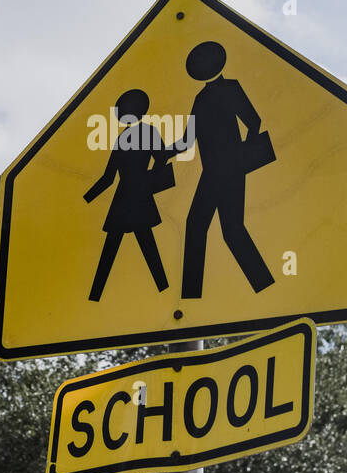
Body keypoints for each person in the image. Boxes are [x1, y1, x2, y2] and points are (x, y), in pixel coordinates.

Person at [178, 41, 275, 298]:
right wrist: (162, 152)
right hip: (214, 173)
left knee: (224, 229)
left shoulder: (228, 89)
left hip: (228, 171)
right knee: (208, 227)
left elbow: (253, 121)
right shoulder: (203, 97)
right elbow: (188, 140)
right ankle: (191, 296)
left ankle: (263, 287)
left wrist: (240, 156)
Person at [83, 88, 172, 302]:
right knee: (123, 245)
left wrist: (87, 198)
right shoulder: (127, 137)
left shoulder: (132, 136)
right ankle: (164, 291)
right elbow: (110, 176)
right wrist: (85, 199)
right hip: (132, 197)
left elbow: (109, 178)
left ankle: (164, 293)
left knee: (140, 244)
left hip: (129, 197)